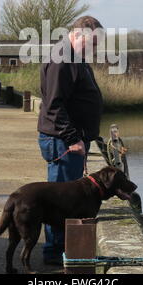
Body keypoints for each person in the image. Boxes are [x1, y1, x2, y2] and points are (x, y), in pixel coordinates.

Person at [37, 16, 104, 265]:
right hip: (62, 141)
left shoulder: (74, 57)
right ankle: (55, 254)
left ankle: (63, 251)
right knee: (60, 200)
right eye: (93, 43)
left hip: (69, 139)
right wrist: (73, 138)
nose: (95, 49)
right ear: (78, 35)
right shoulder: (62, 60)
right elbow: (54, 105)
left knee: (67, 198)